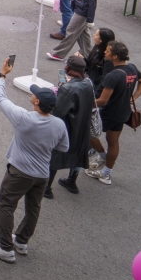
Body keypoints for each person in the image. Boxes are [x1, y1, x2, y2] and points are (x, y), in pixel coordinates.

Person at [0, 60, 69, 262]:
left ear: (37, 102)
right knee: (33, 207)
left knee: (6, 205)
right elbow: (63, 148)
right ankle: (21, 241)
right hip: (42, 174)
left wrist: (3, 75)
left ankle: (5, 248)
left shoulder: (23, 118)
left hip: (19, 172)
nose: (33, 94)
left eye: (35, 94)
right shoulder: (58, 124)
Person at [86, 41, 141, 187]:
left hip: (108, 113)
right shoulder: (132, 68)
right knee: (113, 141)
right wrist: (133, 98)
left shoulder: (112, 76)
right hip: (123, 112)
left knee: (88, 134)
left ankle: (102, 155)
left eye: (107, 51)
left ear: (114, 56)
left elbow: (103, 101)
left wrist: (84, 102)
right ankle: (106, 174)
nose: (105, 52)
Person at [47, 55, 95, 197]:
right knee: (79, 153)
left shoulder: (68, 88)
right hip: (82, 125)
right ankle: (71, 181)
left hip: (68, 127)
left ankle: (46, 187)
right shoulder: (88, 83)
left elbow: (58, 111)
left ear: (70, 68)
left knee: (55, 155)